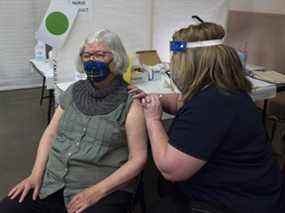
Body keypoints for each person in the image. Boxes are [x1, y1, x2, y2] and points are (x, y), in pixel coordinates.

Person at [130, 22, 285, 213]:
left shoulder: (211, 105)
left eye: (176, 60)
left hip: (232, 203)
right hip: (250, 192)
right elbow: (181, 104)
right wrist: (156, 99)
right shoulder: (223, 91)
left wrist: (153, 118)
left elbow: (170, 169)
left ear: (192, 63)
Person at [0, 29, 147, 213]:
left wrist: (96, 192)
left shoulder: (130, 101)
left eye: (100, 54)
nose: (92, 60)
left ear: (116, 58)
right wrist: (35, 176)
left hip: (101, 188)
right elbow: (51, 133)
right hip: (54, 183)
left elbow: (138, 159)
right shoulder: (73, 91)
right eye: (87, 55)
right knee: (8, 208)